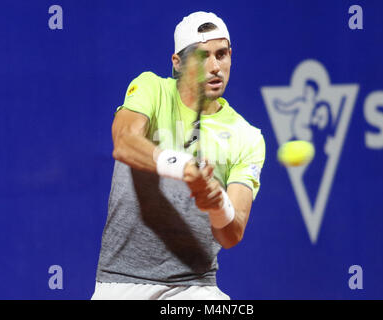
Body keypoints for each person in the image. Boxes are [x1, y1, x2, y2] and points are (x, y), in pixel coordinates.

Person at [92, 11, 266, 300]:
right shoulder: (152, 88)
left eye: (221, 55)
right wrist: (183, 167)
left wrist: (217, 203)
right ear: (177, 63)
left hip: (196, 287)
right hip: (120, 283)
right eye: (202, 56)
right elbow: (123, 142)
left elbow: (232, 234)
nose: (214, 67)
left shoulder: (247, 136)